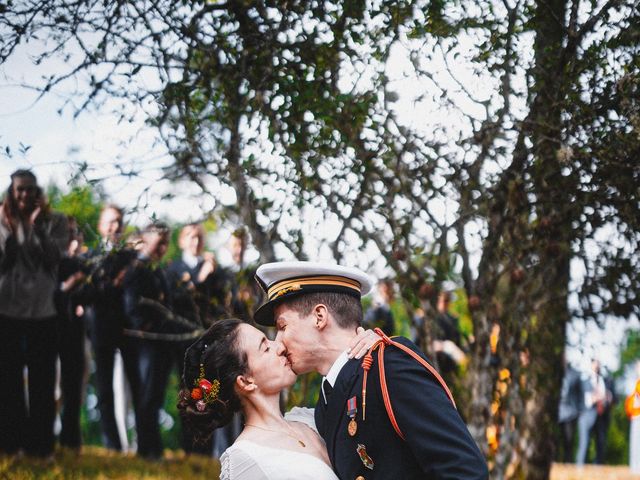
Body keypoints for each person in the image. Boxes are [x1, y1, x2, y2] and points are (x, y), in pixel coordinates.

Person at [253, 261, 488, 479]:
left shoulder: (389, 365)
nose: (279, 343)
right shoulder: (328, 399)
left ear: (319, 316)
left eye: (282, 326)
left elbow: (464, 470)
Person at [177, 318, 377, 479]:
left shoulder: (309, 419)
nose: (280, 346)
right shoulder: (245, 459)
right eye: (265, 348)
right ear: (245, 381)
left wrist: (374, 351)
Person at [0, 169, 68, 458]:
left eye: (30, 189)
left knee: (42, 381)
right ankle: (10, 444)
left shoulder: (56, 221)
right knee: (8, 381)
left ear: (38, 192)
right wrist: (11, 230)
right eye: (20, 190)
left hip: (43, 311)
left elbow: (56, 261)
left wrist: (38, 227)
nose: (25, 194)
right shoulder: (1, 222)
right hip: (7, 310)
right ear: (11, 193)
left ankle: (41, 447)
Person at [81, 205, 139, 451]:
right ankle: (112, 444)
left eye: (119, 222)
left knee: (138, 387)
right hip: (101, 330)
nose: (115, 227)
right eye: (111, 222)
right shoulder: (89, 258)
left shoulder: (131, 258)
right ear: (101, 226)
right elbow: (87, 294)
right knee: (104, 390)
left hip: (129, 330)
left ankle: (145, 444)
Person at [54, 216, 89, 450]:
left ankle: (71, 440)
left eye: (74, 232)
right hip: (49, 330)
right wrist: (67, 286)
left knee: (74, 387)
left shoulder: (82, 264)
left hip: (75, 332)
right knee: (51, 388)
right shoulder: (49, 261)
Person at [575, 359, 612, 465]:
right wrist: (593, 398)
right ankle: (580, 466)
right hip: (587, 416)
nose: (596, 367)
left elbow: (611, 397)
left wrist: (607, 398)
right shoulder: (584, 381)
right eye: (595, 365)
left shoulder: (606, 380)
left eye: (598, 365)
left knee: (600, 444)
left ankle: (598, 467)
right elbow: (582, 399)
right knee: (584, 443)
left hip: (602, 416)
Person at [557, 357, 582, 463]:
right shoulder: (555, 374)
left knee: (568, 441)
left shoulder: (575, 374)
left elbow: (580, 394)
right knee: (555, 441)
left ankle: (568, 462)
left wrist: (578, 410)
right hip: (557, 412)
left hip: (570, 413)